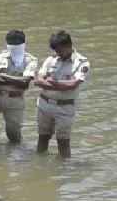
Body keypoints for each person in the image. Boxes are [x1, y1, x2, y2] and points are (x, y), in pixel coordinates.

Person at [34, 30, 90, 158]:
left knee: (63, 144)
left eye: (60, 50)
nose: (58, 53)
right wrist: (60, 85)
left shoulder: (81, 62)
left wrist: (50, 81)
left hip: (64, 108)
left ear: (69, 46)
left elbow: (72, 85)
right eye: (56, 51)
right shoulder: (51, 59)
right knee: (42, 139)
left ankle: (64, 173)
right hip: (44, 105)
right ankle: (40, 167)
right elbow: (38, 80)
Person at [0, 30, 38, 144]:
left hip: (15, 100)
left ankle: (16, 159)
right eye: (11, 43)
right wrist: (16, 81)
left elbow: (25, 82)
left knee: (14, 134)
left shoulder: (30, 60)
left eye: (17, 43)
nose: (14, 46)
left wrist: (4, 76)